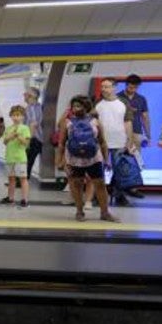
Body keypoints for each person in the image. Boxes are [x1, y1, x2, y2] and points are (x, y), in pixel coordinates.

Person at [56, 95, 118, 222]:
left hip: (94, 158)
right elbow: (61, 143)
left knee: (100, 184)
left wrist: (107, 160)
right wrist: (59, 161)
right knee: (76, 184)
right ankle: (79, 211)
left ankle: (105, 213)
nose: (75, 108)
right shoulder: (66, 122)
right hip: (73, 159)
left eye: (78, 106)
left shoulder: (95, 122)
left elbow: (102, 142)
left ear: (86, 107)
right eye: (73, 106)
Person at [94, 78, 135, 206]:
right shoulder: (97, 103)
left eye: (107, 87)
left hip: (119, 141)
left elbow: (128, 122)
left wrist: (129, 140)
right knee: (98, 171)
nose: (103, 89)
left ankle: (118, 195)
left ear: (114, 88)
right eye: (102, 87)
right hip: (100, 143)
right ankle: (98, 196)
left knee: (120, 170)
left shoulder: (123, 102)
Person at [118, 74, 148, 198]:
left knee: (136, 160)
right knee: (119, 161)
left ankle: (133, 189)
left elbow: (145, 117)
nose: (132, 89)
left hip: (136, 132)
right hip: (119, 133)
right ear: (126, 85)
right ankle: (119, 190)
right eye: (130, 87)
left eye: (135, 87)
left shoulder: (141, 99)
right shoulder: (118, 98)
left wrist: (148, 134)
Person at [0, 105, 31, 207]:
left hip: (20, 158)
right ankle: (10, 197)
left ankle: (25, 199)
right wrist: (11, 136)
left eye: (18, 115)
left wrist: (18, 136)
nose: (16, 117)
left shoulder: (25, 128)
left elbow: (26, 143)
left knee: (23, 178)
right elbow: (5, 141)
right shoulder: (9, 129)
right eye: (13, 115)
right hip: (10, 157)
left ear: (22, 116)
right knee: (11, 179)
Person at [24, 87, 43, 180]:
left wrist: (28, 139)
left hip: (33, 139)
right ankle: (22, 180)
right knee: (27, 161)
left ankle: (23, 181)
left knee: (26, 160)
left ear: (32, 96)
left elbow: (33, 124)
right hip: (35, 138)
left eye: (26, 93)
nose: (24, 95)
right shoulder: (32, 107)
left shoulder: (32, 108)